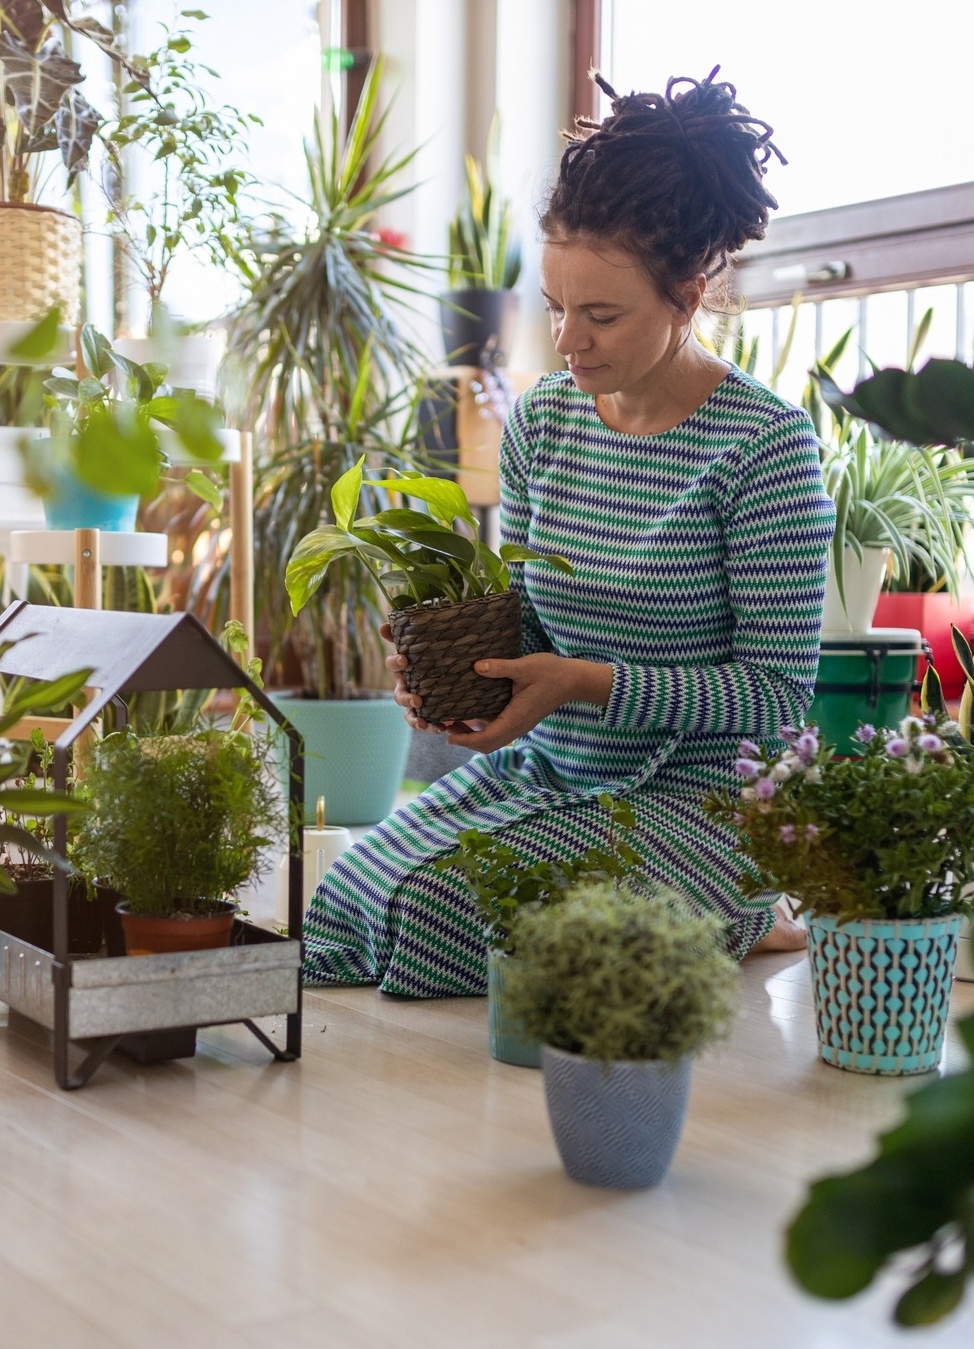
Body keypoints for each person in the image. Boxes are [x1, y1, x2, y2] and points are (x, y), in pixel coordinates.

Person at [301, 70, 833, 998]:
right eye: (553, 305)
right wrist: (463, 674)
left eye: (600, 314)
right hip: (556, 773)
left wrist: (579, 684)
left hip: (699, 804)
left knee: (430, 915)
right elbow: (537, 630)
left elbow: (775, 696)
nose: (567, 339)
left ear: (687, 293)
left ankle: (741, 905)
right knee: (343, 902)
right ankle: (705, 924)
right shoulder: (546, 421)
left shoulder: (763, 446)